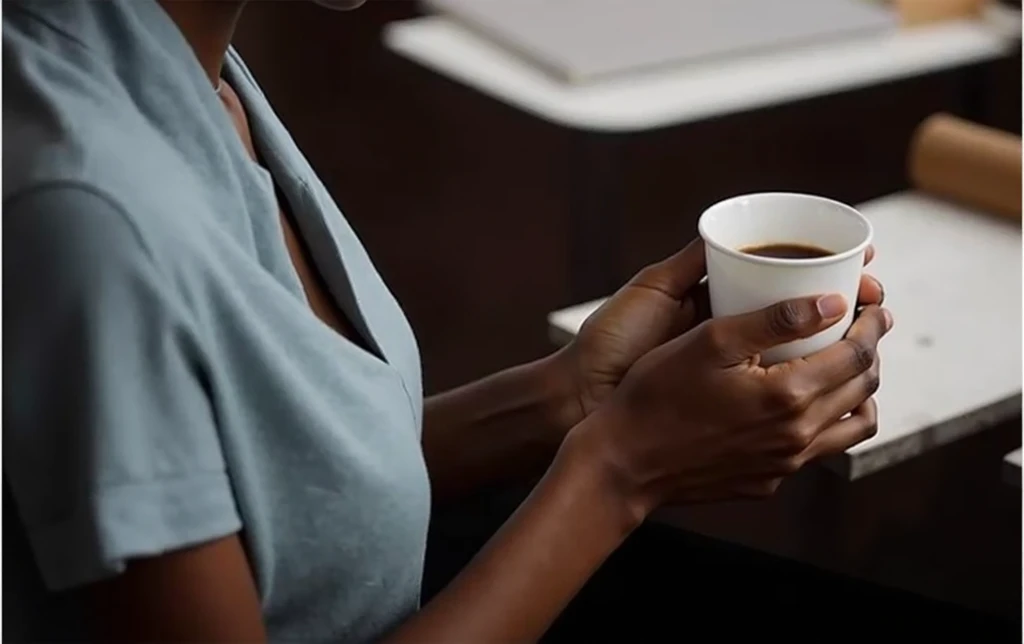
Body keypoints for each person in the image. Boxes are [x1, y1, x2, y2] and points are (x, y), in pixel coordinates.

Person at [2, 1, 891, 642]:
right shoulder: (86, 212)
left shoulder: (188, 65)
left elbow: (282, 488)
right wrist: (620, 473)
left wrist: (572, 396)